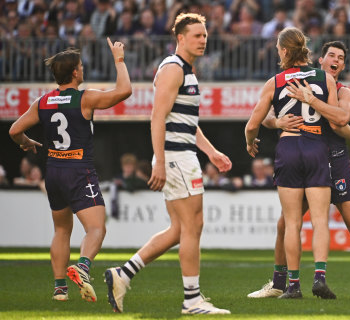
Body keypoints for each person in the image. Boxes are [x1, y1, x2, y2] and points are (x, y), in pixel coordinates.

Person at [104, 13, 232, 315]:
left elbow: (185, 122)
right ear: (181, 38)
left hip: (180, 155)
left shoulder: (185, 70)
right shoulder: (174, 69)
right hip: (176, 158)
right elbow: (157, 117)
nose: (203, 40)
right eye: (197, 35)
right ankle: (192, 301)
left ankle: (122, 274)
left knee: (179, 229)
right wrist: (159, 161)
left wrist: (211, 152)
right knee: (193, 226)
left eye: (204, 35)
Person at [248, 40, 350, 300]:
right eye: (332, 55)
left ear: (343, 65)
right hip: (310, 159)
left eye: (341, 58)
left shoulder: (343, 91)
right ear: (320, 60)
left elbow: (339, 122)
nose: (336, 60)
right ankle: (280, 283)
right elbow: (266, 115)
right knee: (285, 224)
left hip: (336, 161)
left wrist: (317, 105)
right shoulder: (308, 81)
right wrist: (277, 121)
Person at [8, 38, 132, 301]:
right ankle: (83, 267)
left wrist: (26, 143)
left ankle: (59, 289)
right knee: (97, 228)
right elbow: (124, 91)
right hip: (79, 170)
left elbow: (14, 130)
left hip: (53, 170)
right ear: (75, 72)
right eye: (81, 66)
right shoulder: (85, 98)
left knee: (61, 231)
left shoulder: (42, 102)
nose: (83, 69)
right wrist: (119, 59)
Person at [245, 27, 342, 299]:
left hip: (288, 147)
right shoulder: (326, 79)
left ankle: (294, 285)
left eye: (278, 49)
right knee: (321, 220)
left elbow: (253, 124)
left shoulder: (275, 81)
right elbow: (336, 120)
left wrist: (250, 141)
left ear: (285, 51)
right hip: (316, 145)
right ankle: (320, 277)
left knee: (292, 222)